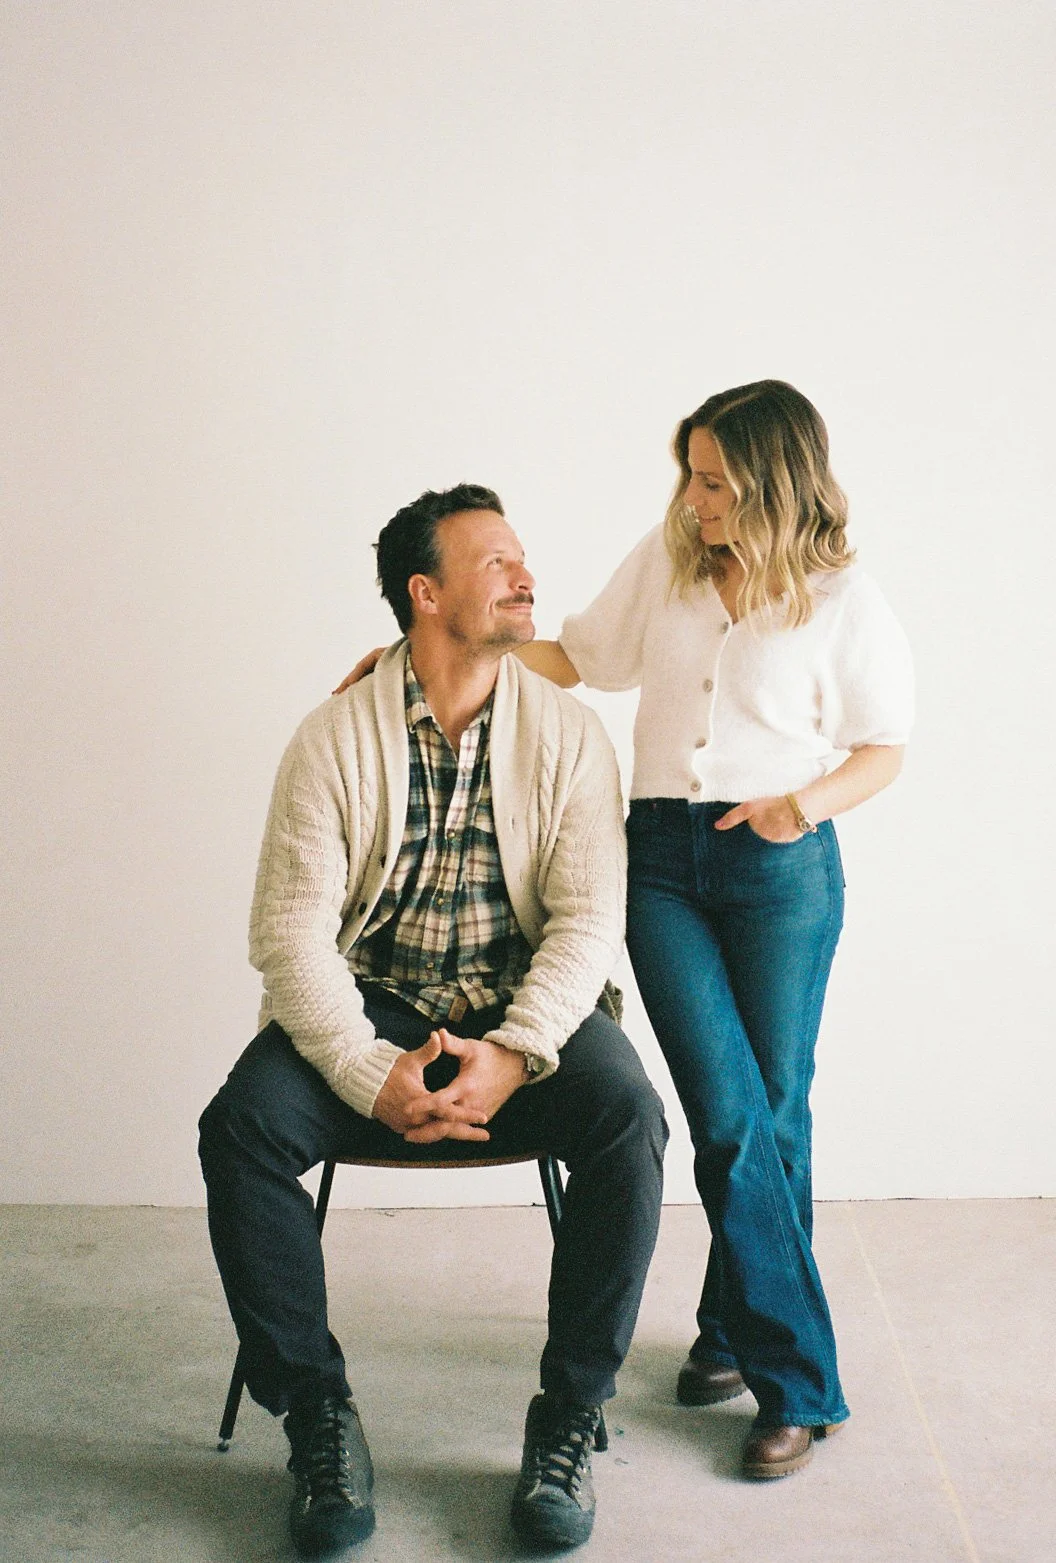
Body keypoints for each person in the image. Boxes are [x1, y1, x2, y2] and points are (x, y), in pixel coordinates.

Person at [339, 380, 915, 1482]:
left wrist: (803, 806)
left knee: (772, 1113)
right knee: (728, 1113)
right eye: (688, 475)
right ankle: (802, 1383)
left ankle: (735, 1339)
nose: (691, 498)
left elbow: (886, 745)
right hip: (659, 865)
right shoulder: (668, 562)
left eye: (712, 480)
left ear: (770, 482)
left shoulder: (841, 595)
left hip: (783, 865)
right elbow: (578, 657)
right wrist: (409, 658)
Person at [199, 484, 667, 1557]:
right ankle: (316, 1415)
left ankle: (568, 1416)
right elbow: (289, 933)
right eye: (495, 559)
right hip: (372, 1005)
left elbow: (592, 918)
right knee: (240, 1129)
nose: (525, 574)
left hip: (520, 1011)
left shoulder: (568, 736)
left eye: (523, 557)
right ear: (426, 592)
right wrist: (371, 1073)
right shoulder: (332, 739)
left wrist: (513, 1054)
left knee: (627, 1118)